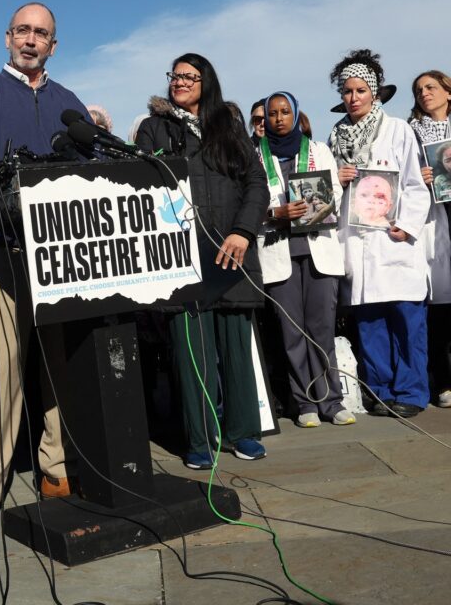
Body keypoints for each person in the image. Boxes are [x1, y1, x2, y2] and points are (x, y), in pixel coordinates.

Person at [0, 2, 87, 537]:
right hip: (3, 254)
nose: (31, 40)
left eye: (42, 34)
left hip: (62, 259)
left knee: (59, 363)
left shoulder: (68, 104)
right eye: (24, 31)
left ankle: (55, 468)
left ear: (54, 46)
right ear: (7, 38)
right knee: (2, 370)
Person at [135, 53, 269, 469]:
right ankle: (198, 438)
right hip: (182, 258)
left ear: (205, 82)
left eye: (189, 77)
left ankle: (242, 432)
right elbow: (140, 185)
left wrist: (243, 231)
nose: (180, 82)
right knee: (191, 352)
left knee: (235, 349)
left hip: (232, 251)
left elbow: (256, 181)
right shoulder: (153, 127)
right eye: (175, 76)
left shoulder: (227, 125)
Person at [328, 49, 431, 418]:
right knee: (370, 324)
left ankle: (412, 391)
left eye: (359, 90)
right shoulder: (335, 136)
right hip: (357, 244)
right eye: (346, 92)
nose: (352, 98)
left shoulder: (397, 130)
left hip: (394, 241)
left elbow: (416, 185)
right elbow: (329, 194)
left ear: (374, 92)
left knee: (406, 322)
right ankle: (381, 391)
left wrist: (407, 225)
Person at [255, 92, 352, 428]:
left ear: (296, 115)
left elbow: (336, 193)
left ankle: (332, 401)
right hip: (278, 250)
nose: (279, 118)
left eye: (285, 112)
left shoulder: (318, 151)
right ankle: (304, 404)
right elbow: (249, 205)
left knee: (322, 328)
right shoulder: (254, 157)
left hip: (318, 249)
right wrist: (275, 212)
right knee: (291, 332)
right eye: (273, 113)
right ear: (265, 119)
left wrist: (316, 206)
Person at [408, 70, 451, 406]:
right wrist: (418, 173)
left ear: (448, 92)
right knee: (438, 302)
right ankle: (443, 380)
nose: (425, 93)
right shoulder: (411, 131)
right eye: (419, 89)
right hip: (431, 219)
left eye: (431, 87)